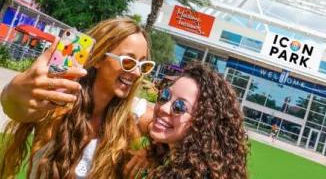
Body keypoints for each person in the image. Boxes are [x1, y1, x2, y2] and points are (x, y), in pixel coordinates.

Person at [0, 17, 155, 179]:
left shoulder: (129, 116)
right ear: (100, 58)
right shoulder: (57, 101)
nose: (137, 73)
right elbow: (13, 106)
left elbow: (174, 131)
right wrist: (15, 89)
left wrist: (153, 152)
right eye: (129, 62)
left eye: (143, 65)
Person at [123, 61, 249, 179]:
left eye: (179, 107)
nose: (163, 108)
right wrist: (152, 149)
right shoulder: (181, 162)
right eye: (165, 95)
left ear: (203, 123)